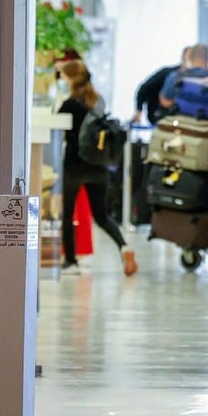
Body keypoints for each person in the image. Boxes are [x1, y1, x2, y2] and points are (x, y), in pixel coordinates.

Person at [56, 60, 139, 278]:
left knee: (68, 213)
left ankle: (71, 261)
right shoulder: (98, 101)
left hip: (75, 165)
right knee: (101, 215)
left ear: (71, 80)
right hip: (99, 165)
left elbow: (62, 134)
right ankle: (124, 246)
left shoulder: (68, 105)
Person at [134, 46, 189, 124]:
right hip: (159, 114)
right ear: (183, 58)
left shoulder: (196, 78)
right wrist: (138, 111)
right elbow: (144, 89)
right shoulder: (167, 74)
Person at [159, 43, 208, 111]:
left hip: (179, 119)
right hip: (206, 120)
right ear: (207, 59)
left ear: (190, 58)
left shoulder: (175, 76)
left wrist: (180, 105)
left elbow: (164, 100)